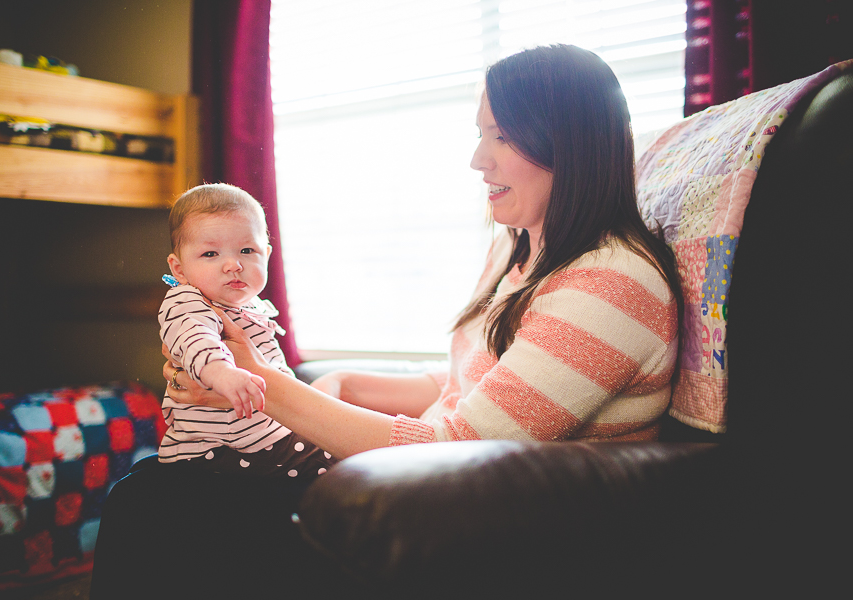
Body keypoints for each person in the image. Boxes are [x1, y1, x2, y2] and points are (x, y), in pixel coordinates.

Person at [91, 44, 682, 598]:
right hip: (431, 476)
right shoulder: (522, 247)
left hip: (478, 515)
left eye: (500, 136)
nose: (477, 159)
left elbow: (460, 449)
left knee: (154, 505)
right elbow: (457, 386)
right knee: (153, 493)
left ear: (567, 142)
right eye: (481, 134)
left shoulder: (608, 287)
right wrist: (345, 384)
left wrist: (262, 385)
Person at [158, 183, 335, 477]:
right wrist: (221, 373)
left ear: (265, 255)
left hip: (261, 435)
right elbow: (196, 337)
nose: (233, 264)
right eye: (211, 254)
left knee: (340, 457)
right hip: (217, 450)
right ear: (179, 269)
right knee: (331, 466)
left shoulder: (253, 306)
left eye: (246, 250)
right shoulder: (187, 300)